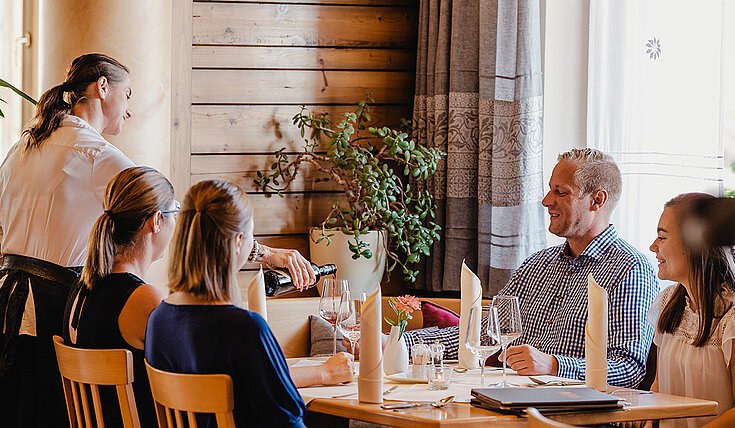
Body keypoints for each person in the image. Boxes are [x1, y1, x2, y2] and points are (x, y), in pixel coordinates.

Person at [64, 168, 352, 426]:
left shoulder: (116, 297)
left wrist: (267, 254)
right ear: (156, 221)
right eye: (172, 212)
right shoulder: (152, 305)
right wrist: (323, 374)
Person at [392, 148, 659, 388]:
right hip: (512, 403)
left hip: (574, 414)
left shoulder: (630, 269)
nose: (546, 201)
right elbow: (480, 334)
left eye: (560, 192)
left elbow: (630, 369)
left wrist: (554, 366)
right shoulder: (536, 264)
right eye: (550, 189)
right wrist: (398, 343)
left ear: (597, 201)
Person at [0, 53, 136, 428]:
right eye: (128, 95)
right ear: (103, 87)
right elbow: (163, 208)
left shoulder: (21, 148)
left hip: (6, 300)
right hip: (53, 307)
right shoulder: (96, 154)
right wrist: (256, 251)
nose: (129, 111)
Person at [145, 179, 331, 427]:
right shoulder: (245, 329)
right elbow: (288, 422)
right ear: (238, 241)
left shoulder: (158, 321)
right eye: (251, 235)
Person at [648, 193, 735, 428]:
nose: (653, 247)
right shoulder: (668, 302)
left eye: (662, 237)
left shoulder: (732, 318)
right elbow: (659, 385)